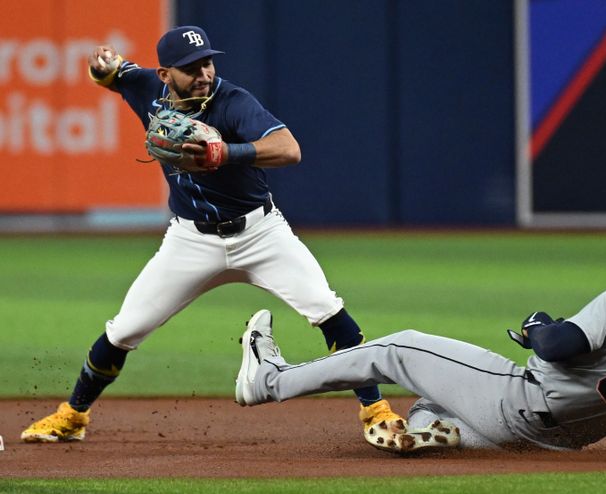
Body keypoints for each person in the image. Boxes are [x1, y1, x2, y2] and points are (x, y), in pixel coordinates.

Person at [21, 26, 402, 444]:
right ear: (166, 74)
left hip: (260, 233)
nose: (203, 73)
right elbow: (113, 75)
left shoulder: (233, 101)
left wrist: (229, 151)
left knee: (327, 310)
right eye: (190, 67)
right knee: (124, 330)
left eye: (207, 61)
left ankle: (376, 410)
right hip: (190, 241)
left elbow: (289, 149)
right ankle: (72, 416)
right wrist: (101, 67)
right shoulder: (148, 87)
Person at [234, 237, 606, 453]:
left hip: (517, 401)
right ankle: (435, 433)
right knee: (430, 403)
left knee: (398, 349)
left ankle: (268, 380)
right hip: (551, 443)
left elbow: (555, 346)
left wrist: (536, 325)